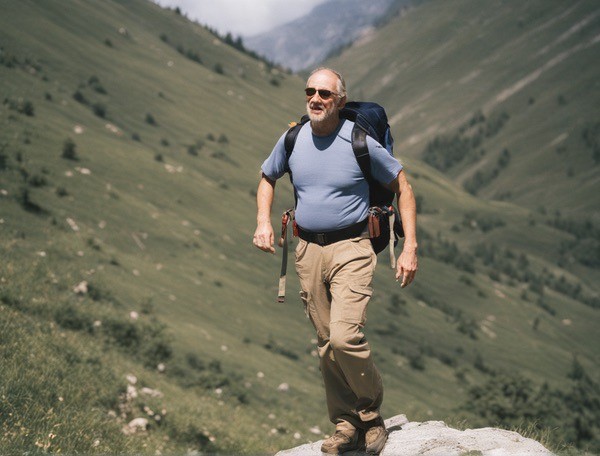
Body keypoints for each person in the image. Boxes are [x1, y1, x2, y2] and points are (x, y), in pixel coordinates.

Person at [253, 68, 418, 455]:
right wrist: (263, 220)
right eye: (310, 91)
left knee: (345, 336)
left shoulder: (358, 140)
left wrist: (409, 245)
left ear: (340, 101)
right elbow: (266, 176)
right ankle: (345, 424)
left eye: (325, 93)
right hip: (308, 251)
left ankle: (371, 416)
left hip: (353, 248)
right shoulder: (293, 138)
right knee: (327, 342)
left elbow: (403, 186)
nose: (315, 98)